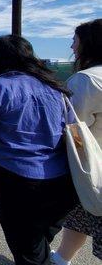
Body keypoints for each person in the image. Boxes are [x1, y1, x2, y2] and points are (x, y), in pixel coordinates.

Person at [0, 35, 78, 265]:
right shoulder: (54, 87)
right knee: (36, 241)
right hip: (63, 181)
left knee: (29, 252)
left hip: (16, 181)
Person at [52, 19, 102, 265]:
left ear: (88, 44)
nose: (72, 47)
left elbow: (74, 132)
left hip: (95, 169)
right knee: (79, 215)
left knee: (87, 208)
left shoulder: (85, 80)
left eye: (75, 41)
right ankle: (62, 258)